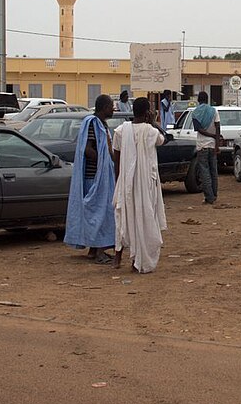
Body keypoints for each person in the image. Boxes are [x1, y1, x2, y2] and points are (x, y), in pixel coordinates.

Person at [112, 97, 168, 272]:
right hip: (145, 184)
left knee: (123, 219)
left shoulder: (121, 130)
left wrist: (118, 181)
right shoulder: (150, 131)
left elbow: (116, 158)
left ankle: (117, 257)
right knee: (143, 218)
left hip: (126, 183)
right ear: (147, 113)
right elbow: (163, 139)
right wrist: (152, 122)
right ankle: (139, 260)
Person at [64, 94, 117, 264]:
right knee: (100, 214)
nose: (113, 109)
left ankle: (95, 250)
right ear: (103, 107)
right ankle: (99, 251)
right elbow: (87, 149)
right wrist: (103, 161)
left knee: (101, 213)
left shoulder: (102, 124)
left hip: (101, 177)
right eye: (111, 106)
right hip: (95, 177)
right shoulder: (93, 124)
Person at [191, 91, 220, 205]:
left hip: (202, 145)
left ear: (198, 100)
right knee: (214, 171)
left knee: (204, 172)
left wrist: (211, 135)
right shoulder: (214, 111)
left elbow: (198, 129)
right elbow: (218, 127)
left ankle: (209, 197)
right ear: (207, 99)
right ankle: (214, 194)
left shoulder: (195, 113)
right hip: (212, 145)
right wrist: (217, 142)